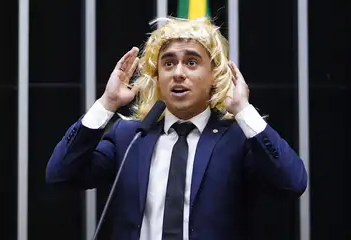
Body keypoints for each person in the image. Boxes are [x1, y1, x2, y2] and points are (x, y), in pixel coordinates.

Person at [46, 17, 307, 240]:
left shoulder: (237, 139)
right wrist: (107, 103)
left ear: (214, 75)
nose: (178, 73)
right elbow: (61, 175)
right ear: (157, 77)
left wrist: (244, 111)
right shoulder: (131, 137)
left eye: (191, 63)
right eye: (168, 64)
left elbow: (292, 182)